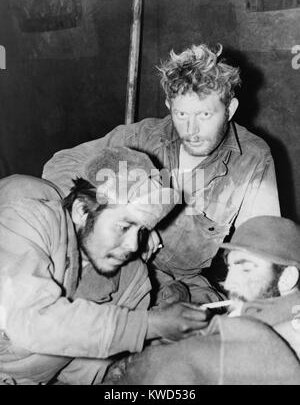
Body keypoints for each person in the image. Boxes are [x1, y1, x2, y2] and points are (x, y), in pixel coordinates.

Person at [42, 43, 280, 306]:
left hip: (186, 284)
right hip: (120, 269)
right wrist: (138, 220)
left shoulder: (252, 158)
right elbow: (60, 165)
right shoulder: (142, 136)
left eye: (204, 114)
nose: (192, 129)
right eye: (181, 114)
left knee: (206, 332)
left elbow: (263, 245)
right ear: (168, 105)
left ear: (230, 109)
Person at [0, 147, 210, 385]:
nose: (133, 245)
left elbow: (82, 367)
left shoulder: (133, 280)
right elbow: (30, 321)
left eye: (141, 230)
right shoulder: (28, 222)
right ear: (81, 210)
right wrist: (150, 325)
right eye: (124, 226)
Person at [103, 216, 300, 385]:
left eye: (246, 268)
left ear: (287, 278)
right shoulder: (250, 318)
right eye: (230, 269)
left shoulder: (287, 334)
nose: (228, 283)